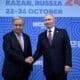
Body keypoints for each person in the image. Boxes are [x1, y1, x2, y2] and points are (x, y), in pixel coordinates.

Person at [31, 14, 72, 80]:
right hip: (48, 70)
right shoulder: (41, 36)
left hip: (61, 69)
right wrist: (32, 58)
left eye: (49, 19)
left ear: (54, 20)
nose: (47, 21)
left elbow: (67, 49)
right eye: (45, 20)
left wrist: (68, 64)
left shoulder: (63, 32)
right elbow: (39, 51)